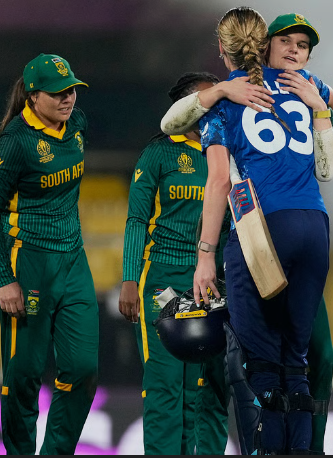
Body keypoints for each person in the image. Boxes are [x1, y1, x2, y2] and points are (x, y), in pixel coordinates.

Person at [160, 12, 333, 455]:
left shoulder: (223, 104)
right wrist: (320, 102)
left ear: (222, 49)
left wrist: (205, 257)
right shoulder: (305, 86)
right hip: (315, 227)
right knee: (296, 365)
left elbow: (212, 173)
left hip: (263, 230)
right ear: (265, 46)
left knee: (257, 364)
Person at [0, 53, 98, 455]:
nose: (69, 99)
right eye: (59, 93)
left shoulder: (76, 124)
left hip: (74, 260)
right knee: (24, 375)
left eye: (72, 90)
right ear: (32, 95)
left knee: (83, 369)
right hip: (27, 262)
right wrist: (3, 278)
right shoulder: (14, 143)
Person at [118, 72, 230, 455]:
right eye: (206, 98)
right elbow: (136, 220)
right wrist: (130, 279)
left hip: (213, 282)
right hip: (163, 278)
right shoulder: (159, 153)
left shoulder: (230, 152)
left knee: (209, 388)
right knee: (166, 385)